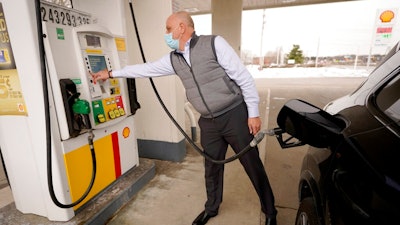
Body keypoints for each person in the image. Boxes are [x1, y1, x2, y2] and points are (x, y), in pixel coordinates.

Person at [92, 11, 277, 225]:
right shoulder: (174, 59)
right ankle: (211, 208)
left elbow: (243, 77)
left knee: (252, 164)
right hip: (209, 122)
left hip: (234, 114)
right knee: (212, 167)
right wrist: (112, 73)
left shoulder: (214, 44)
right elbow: (146, 69)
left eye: (168, 29)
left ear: (182, 27)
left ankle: (270, 211)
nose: (166, 33)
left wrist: (253, 113)